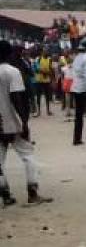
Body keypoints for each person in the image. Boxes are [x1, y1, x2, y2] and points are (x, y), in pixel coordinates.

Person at [0, 41, 52, 206]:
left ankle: (5, 195)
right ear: (9, 54)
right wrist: (24, 122)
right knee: (28, 156)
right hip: (13, 121)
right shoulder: (12, 72)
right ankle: (32, 192)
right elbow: (17, 99)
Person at [33, 49, 54, 116]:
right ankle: (38, 111)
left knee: (47, 96)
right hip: (39, 80)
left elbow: (51, 69)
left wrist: (52, 78)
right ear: (42, 52)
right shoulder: (38, 59)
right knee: (38, 96)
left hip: (46, 80)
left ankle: (48, 110)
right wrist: (45, 72)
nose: (46, 52)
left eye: (47, 51)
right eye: (44, 51)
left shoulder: (50, 59)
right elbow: (36, 69)